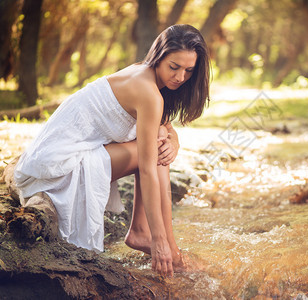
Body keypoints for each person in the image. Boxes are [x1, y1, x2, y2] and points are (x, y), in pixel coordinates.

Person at [13, 24, 211, 277]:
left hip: (48, 159)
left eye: (189, 71)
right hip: (57, 170)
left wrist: (175, 139)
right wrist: (160, 242)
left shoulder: (143, 74)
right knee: (152, 153)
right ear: (159, 57)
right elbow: (148, 169)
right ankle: (158, 240)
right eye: (174, 67)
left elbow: (164, 125)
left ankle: (147, 234)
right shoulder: (148, 92)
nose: (180, 77)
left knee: (157, 144)